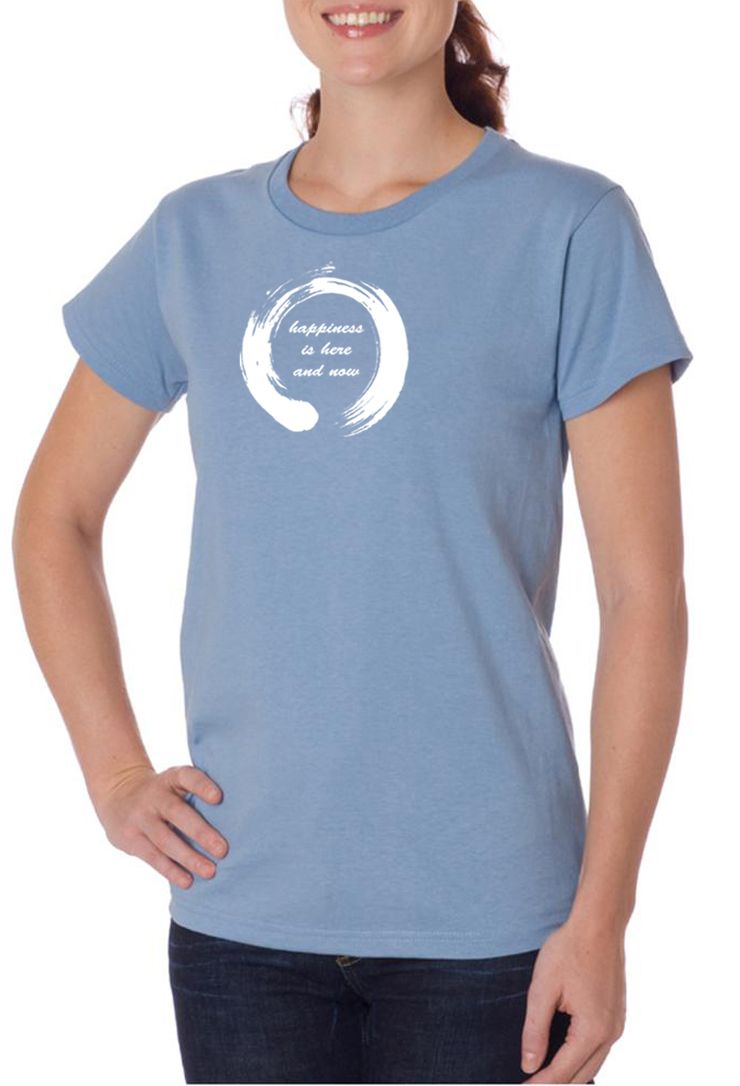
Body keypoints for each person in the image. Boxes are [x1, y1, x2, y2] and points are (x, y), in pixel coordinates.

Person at [12, 1, 693, 1083]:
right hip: (241, 916)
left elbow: (641, 596)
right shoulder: (194, 235)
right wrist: (115, 774)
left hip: (495, 929)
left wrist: (602, 916)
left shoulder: (570, 227)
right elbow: (56, 516)